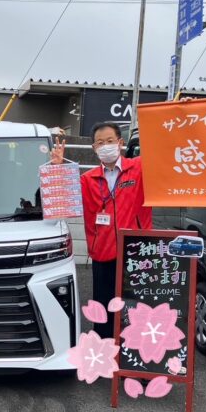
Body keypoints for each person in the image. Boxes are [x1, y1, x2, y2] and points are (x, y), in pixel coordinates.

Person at [51, 121, 152, 338]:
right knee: (103, 309)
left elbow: (166, 151)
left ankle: (133, 360)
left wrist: (177, 114)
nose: (105, 146)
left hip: (136, 251)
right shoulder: (87, 179)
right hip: (103, 253)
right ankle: (104, 357)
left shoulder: (140, 168)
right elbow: (64, 201)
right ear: (94, 149)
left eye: (110, 141)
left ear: (121, 143)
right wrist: (57, 168)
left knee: (135, 307)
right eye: (100, 143)